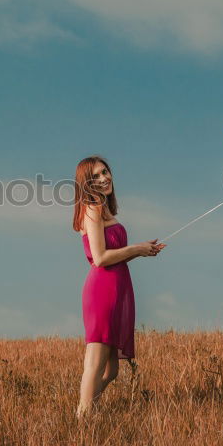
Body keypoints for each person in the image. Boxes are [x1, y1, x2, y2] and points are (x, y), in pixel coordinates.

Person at [73, 155, 165, 419]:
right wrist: (135, 248)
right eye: (96, 177)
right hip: (102, 289)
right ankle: (84, 414)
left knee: (111, 370)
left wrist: (142, 251)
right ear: (86, 185)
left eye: (105, 172)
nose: (104, 179)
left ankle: (87, 408)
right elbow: (100, 258)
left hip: (118, 287)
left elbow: (115, 253)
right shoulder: (91, 208)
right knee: (95, 362)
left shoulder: (105, 209)